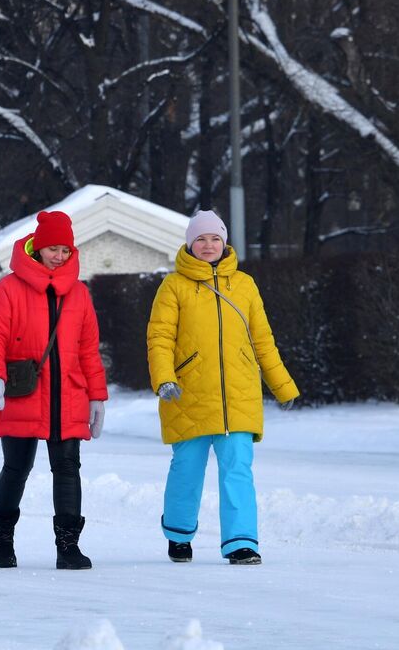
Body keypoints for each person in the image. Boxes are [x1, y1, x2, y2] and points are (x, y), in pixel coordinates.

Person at [146, 209, 299, 566]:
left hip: (239, 396)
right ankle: (179, 534)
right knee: (187, 470)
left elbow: (262, 340)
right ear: (189, 243)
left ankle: (241, 543)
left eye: (215, 238)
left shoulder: (244, 285)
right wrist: (164, 378)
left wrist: (282, 385)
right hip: (187, 395)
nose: (208, 245)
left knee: (238, 470)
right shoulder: (173, 286)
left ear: (225, 242)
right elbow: (159, 338)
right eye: (201, 238)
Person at [0, 210, 109, 570]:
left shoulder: (79, 294)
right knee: (17, 468)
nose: (60, 256)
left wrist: (97, 396)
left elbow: (88, 350)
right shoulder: (10, 288)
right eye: (53, 249)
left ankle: (68, 547)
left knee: (68, 467)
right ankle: (2, 539)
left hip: (68, 396)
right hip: (23, 394)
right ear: (37, 248)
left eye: (65, 250)